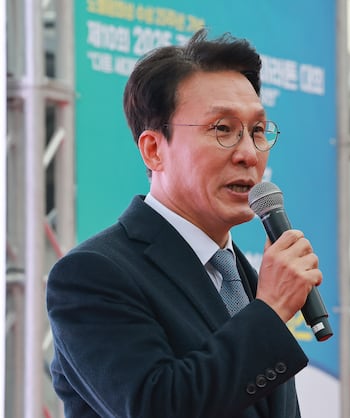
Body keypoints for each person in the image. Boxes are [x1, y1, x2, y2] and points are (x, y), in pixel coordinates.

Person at [46, 28, 322, 418]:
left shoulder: (242, 278)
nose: (248, 153)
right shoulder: (92, 274)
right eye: (222, 129)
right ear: (153, 150)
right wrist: (272, 309)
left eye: (258, 131)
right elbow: (155, 408)